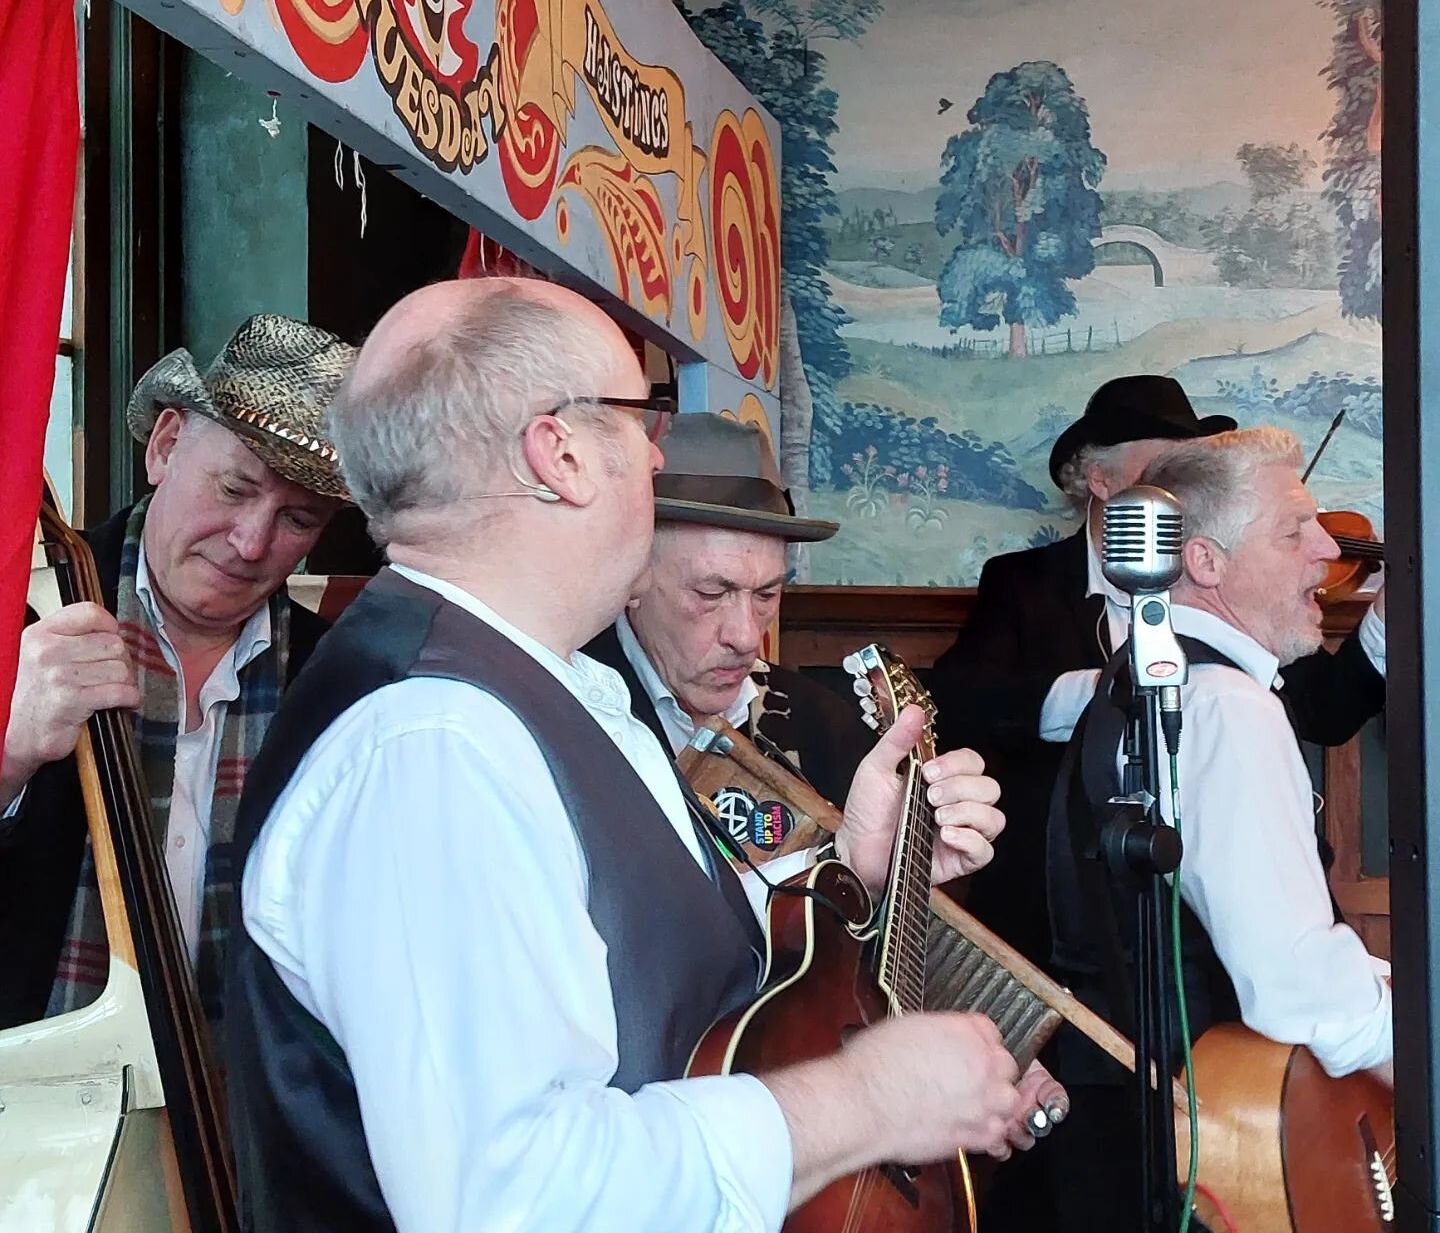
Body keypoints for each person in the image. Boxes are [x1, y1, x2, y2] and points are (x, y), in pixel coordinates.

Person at [225, 277, 1057, 1233]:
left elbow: (655, 975)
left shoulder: (531, 688)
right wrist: (868, 1100)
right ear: (561, 452)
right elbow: (511, 1199)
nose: (657, 453)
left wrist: (854, 875)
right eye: (640, 417)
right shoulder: (434, 743)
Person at [1042, 427, 1392, 1229]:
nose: (1325, 554)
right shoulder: (1227, 710)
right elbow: (1297, 986)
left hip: (1129, 1136)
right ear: (1204, 562)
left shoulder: (1140, 688)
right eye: (1292, 530)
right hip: (1214, 1155)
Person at [929, 374, 1387, 969]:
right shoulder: (1023, 583)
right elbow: (960, 702)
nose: (1183, 491)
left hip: (1205, 932)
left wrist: (1385, 618)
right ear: (1101, 480)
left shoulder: (1223, 591)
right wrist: (1105, 693)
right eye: (1164, 471)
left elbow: (1327, 710)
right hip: (1056, 908)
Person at [0, 315, 353, 1030]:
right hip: (35, 1106)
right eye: (233, 489)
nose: (251, 542)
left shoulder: (338, 677)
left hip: (240, 1120)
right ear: (165, 446)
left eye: (298, 520)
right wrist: (8, 753)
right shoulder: (24, 613)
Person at [584, 411, 871, 810]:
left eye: (766, 595)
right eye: (711, 593)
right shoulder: (569, 710)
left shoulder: (823, 723)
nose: (747, 637)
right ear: (634, 575)